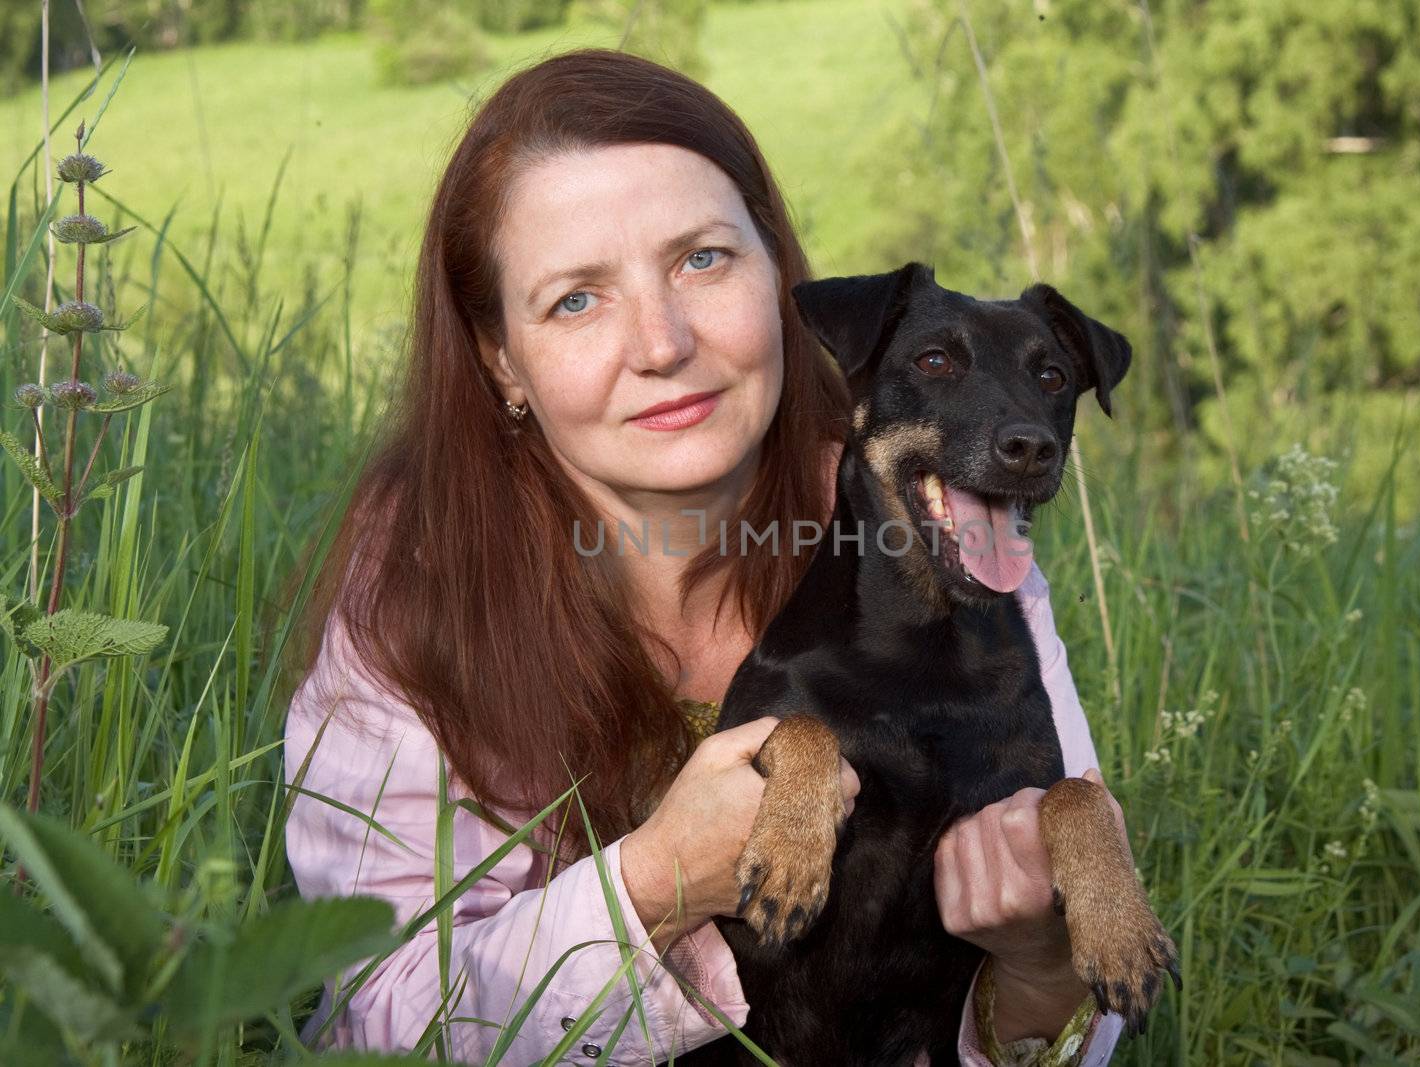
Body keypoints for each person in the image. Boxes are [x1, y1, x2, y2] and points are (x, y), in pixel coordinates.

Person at [282, 46, 1130, 1067]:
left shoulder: (936, 524)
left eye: (701, 259)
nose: (662, 341)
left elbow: (1084, 991)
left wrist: (1038, 967)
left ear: (778, 272)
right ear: (501, 355)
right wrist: (656, 880)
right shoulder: (413, 593)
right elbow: (371, 1019)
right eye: (576, 299)